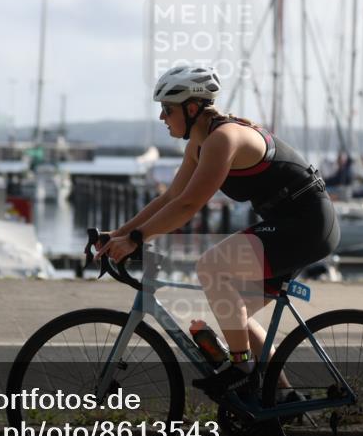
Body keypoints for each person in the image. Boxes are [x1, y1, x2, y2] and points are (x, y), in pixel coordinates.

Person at [97, 65, 340, 397]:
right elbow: (170, 197)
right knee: (233, 312)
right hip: (289, 222)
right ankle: (282, 398)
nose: (162, 117)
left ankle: (241, 368)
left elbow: (188, 206)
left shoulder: (224, 139)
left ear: (192, 108)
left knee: (211, 266)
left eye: (167, 109)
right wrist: (118, 235)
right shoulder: (200, 143)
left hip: (307, 224)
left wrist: (138, 239)